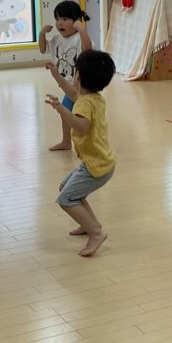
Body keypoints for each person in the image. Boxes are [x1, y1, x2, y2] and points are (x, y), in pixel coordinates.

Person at [44, 50, 116, 257]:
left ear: (79, 76)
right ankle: (90, 225)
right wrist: (56, 75)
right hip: (100, 161)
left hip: (96, 167)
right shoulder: (94, 98)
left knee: (65, 198)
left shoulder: (85, 103)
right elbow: (73, 94)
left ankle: (96, 232)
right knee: (66, 188)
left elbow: (82, 126)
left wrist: (62, 110)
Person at [39, 0, 92, 151]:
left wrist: (82, 30)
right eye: (57, 19)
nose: (60, 23)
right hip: (68, 87)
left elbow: (88, 49)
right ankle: (66, 142)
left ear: (76, 21)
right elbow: (42, 49)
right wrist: (42, 34)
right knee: (66, 113)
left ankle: (88, 142)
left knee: (81, 116)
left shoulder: (79, 38)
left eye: (65, 19)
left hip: (83, 88)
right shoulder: (57, 39)